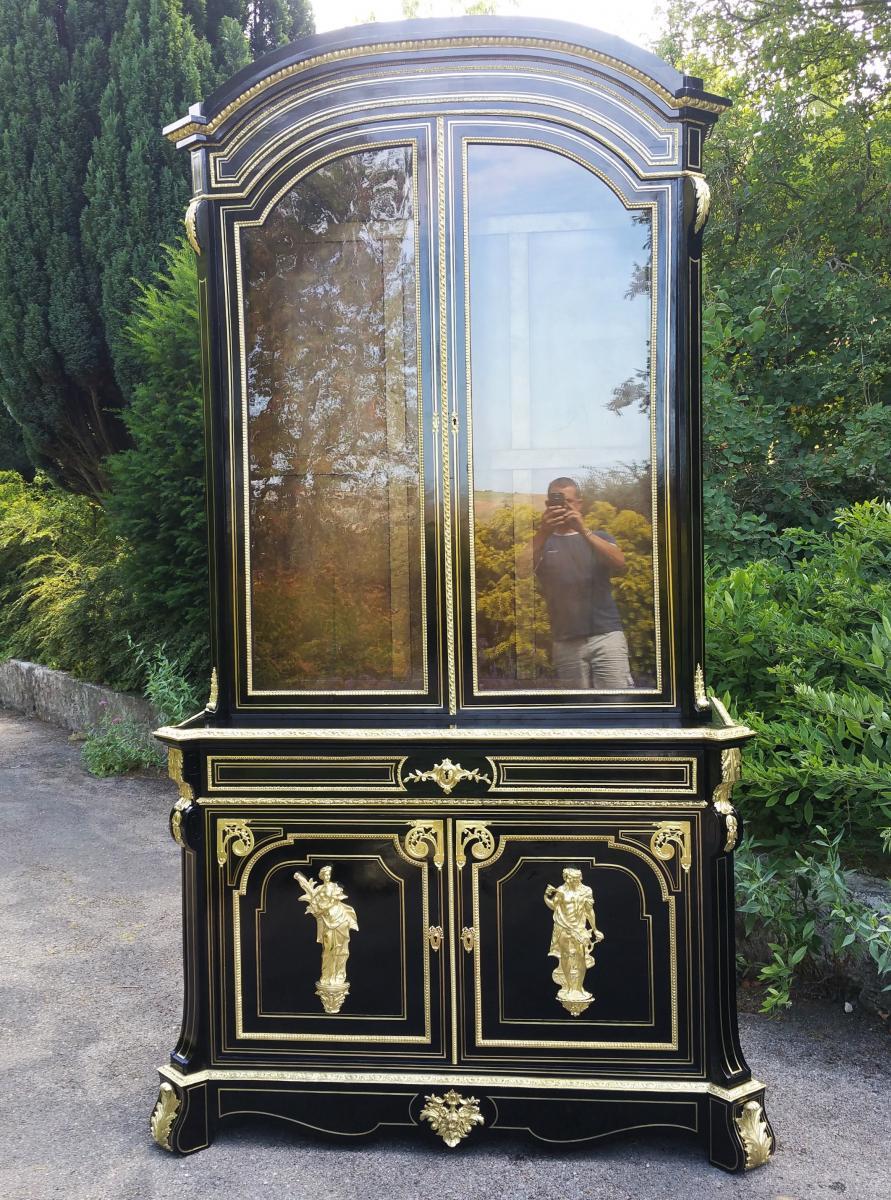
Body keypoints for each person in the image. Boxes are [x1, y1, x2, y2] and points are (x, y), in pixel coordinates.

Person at [532, 476, 635, 689]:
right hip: (566, 641)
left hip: (607, 637)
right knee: (576, 709)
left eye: (568, 502)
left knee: (618, 705)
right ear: (547, 505)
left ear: (579, 503)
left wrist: (583, 530)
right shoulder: (543, 542)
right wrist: (542, 532)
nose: (563, 508)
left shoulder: (598, 536)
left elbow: (620, 563)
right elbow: (520, 571)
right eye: (556, 503)